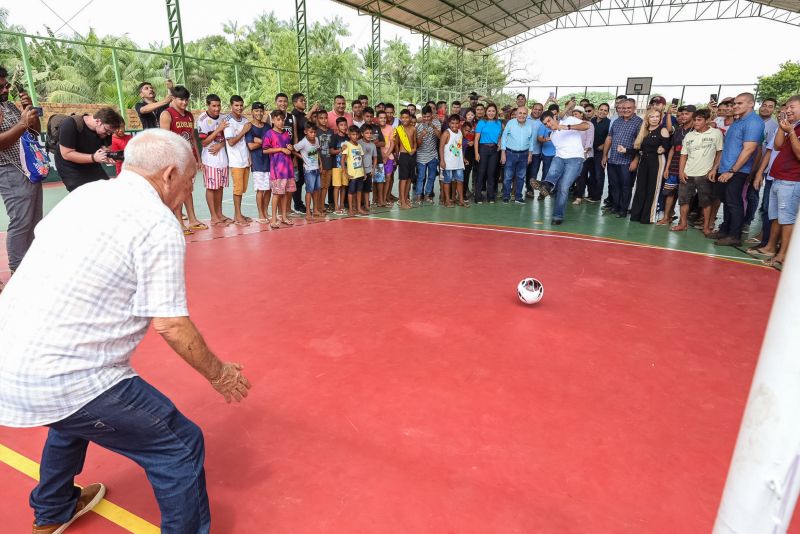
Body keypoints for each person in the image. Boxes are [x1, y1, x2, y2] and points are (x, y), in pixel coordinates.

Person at [0, 128, 251, 534]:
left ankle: (53, 509)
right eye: (190, 181)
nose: (189, 191)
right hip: (64, 372)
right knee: (180, 445)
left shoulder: (85, 196)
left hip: (12, 354)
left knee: (72, 416)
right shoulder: (157, 223)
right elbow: (169, 323)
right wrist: (219, 374)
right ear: (170, 175)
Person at [0, 66, 42, 285]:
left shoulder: (9, 106)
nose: (6, 88)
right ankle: (18, 271)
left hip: (28, 167)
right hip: (8, 170)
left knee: (35, 219)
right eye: (2, 86)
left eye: (6, 85)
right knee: (21, 221)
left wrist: (28, 111)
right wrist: (22, 122)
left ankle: (33, 264)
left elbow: (34, 132)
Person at [708, 93, 764, 246]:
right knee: (726, 200)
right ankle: (725, 230)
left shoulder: (754, 122)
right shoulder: (737, 121)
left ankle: (734, 236)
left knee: (734, 202)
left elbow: (750, 149)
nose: (735, 106)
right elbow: (727, 147)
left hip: (737, 171)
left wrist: (731, 171)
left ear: (751, 104)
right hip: (725, 167)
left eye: (740, 103)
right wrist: (716, 167)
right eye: (734, 104)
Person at [759, 95, 800, 267]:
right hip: (778, 177)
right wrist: (784, 129)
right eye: (787, 107)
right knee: (775, 216)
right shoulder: (793, 126)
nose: (788, 110)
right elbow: (777, 146)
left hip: (791, 180)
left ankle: (783, 255)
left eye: (792, 107)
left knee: (787, 219)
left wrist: (790, 131)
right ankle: (771, 248)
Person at [159, 85, 205, 235]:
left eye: (186, 100)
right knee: (177, 192)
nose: (184, 103)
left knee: (187, 190)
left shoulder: (189, 115)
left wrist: (198, 159)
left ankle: (192, 220)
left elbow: (192, 138)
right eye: (181, 100)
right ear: (173, 99)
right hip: (174, 159)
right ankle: (179, 223)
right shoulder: (167, 114)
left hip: (188, 158)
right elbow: (165, 140)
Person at [674, 108, 723, 234]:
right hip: (688, 173)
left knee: (706, 202)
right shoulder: (689, 135)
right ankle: (683, 224)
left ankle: (706, 227)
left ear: (707, 120)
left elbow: (719, 153)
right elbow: (683, 155)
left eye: (699, 120)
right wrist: (681, 171)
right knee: (683, 200)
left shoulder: (716, 134)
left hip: (705, 175)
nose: (696, 122)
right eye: (695, 120)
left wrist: (714, 169)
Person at [538, 111, 590, 225]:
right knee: (554, 165)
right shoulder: (552, 135)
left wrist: (566, 127)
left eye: (549, 121)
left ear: (555, 117)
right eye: (545, 124)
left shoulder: (569, 120)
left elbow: (587, 125)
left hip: (575, 159)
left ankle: (557, 216)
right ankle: (547, 186)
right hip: (560, 158)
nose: (548, 124)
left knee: (563, 187)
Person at [54, 107, 122, 193]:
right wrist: (93, 158)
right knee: (85, 196)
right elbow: (67, 154)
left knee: (107, 192)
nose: (108, 134)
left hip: (91, 164)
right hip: (71, 168)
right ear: (98, 121)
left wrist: (106, 155)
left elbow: (105, 147)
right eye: (107, 131)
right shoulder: (70, 124)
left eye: (111, 133)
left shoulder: (107, 129)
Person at [602, 98, 643, 217]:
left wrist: (636, 160)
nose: (626, 110)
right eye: (624, 108)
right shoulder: (617, 121)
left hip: (627, 161)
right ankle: (615, 206)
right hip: (613, 159)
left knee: (626, 186)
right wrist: (605, 155)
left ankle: (623, 210)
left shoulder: (639, 122)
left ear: (634, 108)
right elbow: (609, 138)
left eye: (629, 108)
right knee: (614, 184)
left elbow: (640, 144)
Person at [629, 109, 671, 224]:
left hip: (656, 162)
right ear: (647, 118)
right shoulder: (644, 130)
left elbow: (666, 147)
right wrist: (625, 150)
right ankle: (636, 215)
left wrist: (663, 148)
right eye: (652, 117)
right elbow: (638, 149)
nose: (655, 119)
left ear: (660, 118)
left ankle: (648, 217)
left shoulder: (663, 130)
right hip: (644, 162)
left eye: (657, 116)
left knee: (652, 189)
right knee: (640, 188)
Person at [196, 94, 231, 227]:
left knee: (220, 187)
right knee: (212, 188)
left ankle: (220, 214)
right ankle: (214, 217)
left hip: (222, 159)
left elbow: (227, 139)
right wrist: (218, 130)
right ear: (208, 105)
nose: (217, 108)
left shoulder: (223, 118)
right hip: (210, 159)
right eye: (214, 106)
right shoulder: (202, 119)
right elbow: (204, 143)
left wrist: (221, 145)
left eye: (218, 105)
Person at [262, 110, 296, 228]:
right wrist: (281, 149)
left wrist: (289, 147)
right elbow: (265, 150)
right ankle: (273, 219)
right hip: (277, 170)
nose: (281, 122)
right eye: (278, 119)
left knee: (285, 193)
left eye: (282, 120)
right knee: (276, 194)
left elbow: (288, 147)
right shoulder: (269, 134)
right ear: (273, 120)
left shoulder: (286, 134)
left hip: (287, 168)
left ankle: (284, 217)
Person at [223, 95, 252, 226]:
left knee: (242, 189)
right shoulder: (228, 121)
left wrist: (250, 158)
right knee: (238, 189)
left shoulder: (245, 120)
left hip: (245, 160)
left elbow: (247, 142)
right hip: (236, 161)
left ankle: (238, 214)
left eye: (241, 105)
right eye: (236, 105)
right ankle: (238, 216)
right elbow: (231, 142)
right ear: (231, 106)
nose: (239, 108)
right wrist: (244, 131)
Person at [500, 106, 536, 204]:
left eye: (524, 113)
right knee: (508, 177)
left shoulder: (530, 125)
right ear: (516, 114)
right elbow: (504, 138)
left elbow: (531, 141)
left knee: (521, 177)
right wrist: (503, 153)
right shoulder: (510, 123)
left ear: (527, 115)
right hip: (510, 153)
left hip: (524, 154)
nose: (522, 115)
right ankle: (506, 196)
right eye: (520, 113)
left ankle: (518, 197)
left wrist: (530, 155)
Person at [246, 102, 271, 224]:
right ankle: (260, 214)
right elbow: (250, 146)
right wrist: (263, 142)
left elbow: (271, 142)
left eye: (261, 111)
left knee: (269, 189)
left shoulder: (267, 126)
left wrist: (259, 140)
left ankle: (266, 212)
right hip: (257, 163)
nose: (259, 113)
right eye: (256, 111)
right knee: (260, 190)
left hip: (269, 161)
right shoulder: (249, 126)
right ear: (252, 112)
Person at [473, 103, 502, 204]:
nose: (491, 113)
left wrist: (499, 143)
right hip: (483, 149)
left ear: (496, 112)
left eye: (493, 111)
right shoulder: (482, 122)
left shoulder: (499, 123)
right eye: (489, 111)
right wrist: (476, 153)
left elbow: (501, 136)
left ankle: (491, 196)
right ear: (486, 111)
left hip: (494, 150)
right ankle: (478, 196)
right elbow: (476, 139)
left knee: (491, 173)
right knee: (481, 173)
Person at [293, 124, 322, 219]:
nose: (313, 134)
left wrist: (320, 164)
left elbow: (317, 151)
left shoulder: (317, 139)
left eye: (314, 132)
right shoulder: (303, 142)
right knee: (309, 191)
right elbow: (293, 149)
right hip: (309, 170)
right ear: (305, 132)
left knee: (317, 190)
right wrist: (302, 157)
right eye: (311, 132)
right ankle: (308, 212)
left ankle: (315, 209)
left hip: (316, 168)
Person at [439, 114, 468, 208]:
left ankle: (461, 201)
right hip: (448, 162)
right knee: (447, 181)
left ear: (460, 123)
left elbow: (459, 148)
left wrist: (463, 158)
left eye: (456, 123)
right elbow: (441, 147)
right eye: (452, 123)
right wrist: (442, 161)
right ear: (449, 123)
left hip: (458, 163)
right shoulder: (446, 133)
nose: (454, 125)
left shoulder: (460, 132)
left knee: (460, 181)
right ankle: (447, 201)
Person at [415, 105, 441, 203]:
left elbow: (440, 136)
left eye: (428, 116)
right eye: (424, 117)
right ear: (422, 116)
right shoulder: (419, 126)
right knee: (421, 176)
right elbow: (418, 144)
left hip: (433, 155)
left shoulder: (436, 123)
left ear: (432, 115)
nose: (426, 119)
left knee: (431, 176)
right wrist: (421, 136)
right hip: (421, 155)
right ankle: (418, 195)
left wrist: (433, 127)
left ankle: (427, 195)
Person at [570, 106, 595, 205]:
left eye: (576, 113)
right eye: (573, 114)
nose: (574, 115)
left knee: (582, 176)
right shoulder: (572, 125)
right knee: (576, 176)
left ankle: (579, 197)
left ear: (582, 114)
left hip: (585, 155)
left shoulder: (588, 124)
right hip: (573, 154)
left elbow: (590, 139)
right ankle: (576, 193)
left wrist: (585, 151)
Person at [587, 103, 611, 202]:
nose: (602, 112)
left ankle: (597, 197)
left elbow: (610, 137)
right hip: (590, 151)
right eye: (601, 109)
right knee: (591, 174)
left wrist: (604, 146)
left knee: (598, 174)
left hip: (600, 152)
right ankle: (590, 194)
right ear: (597, 110)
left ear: (608, 112)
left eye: (605, 110)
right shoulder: (591, 121)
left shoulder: (609, 123)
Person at [394, 109, 417, 209]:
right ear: (400, 118)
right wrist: (397, 156)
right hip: (403, 155)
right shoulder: (399, 129)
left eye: (406, 117)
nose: (405, 119)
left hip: (412, 155)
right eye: (402, 117)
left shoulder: (413, 129)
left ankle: (405, 198)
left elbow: (415, 142)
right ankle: (402, 201)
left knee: (409, 178)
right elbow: (396, 144)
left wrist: (414, 149)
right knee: (403, 179)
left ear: (410, 118)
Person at [342, 125, 367, 216]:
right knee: (351, 192)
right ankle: (351, 209)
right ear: (349, 135)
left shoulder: (359, 146)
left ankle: (359, 208)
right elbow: (342, 160)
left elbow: (362, 159)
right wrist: (346, 172)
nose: (355, 136)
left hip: (360, 173)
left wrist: (364, 172)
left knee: (359, 191)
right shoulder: (347, 145)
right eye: (353, 134)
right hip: (352, 174)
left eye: (356, 134)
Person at [329, 116, 349, 214]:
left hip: (346, 166)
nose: (344, 127)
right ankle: (336, 207)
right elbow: (331, 151)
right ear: (337, 126)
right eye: (341, 125)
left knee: (344, 186)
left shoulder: (348, 138)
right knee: (337, 186)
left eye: (345, 125)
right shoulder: (334, 137)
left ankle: (342, 205)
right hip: (336, 166)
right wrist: (341, 150)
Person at [315, 110, 334, 213]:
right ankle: (317, 207)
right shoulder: (316, 132)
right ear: (317, 119)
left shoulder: (331, 131)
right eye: (321, 118)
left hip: (329, 163)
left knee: (326, 186)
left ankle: (322, 206)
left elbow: (331, 147)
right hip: (320, 164)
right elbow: (316, 149)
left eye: (325, 118)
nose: (324, 120)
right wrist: (319, 163)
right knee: (319, 187)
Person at [526, 103, 544, 198]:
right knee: (523, 172)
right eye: (535, 109)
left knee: (533, 173)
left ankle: (530, 190)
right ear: (532, 109)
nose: (537, 111)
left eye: (540, 109)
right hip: (524, 151)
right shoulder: (525, 119)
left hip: (536, 152)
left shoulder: (543, 121)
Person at [359, 125, 378, 211]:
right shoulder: (358, 143)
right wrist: (362, 170)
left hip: (369, 170)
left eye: (370, 133)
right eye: (367, 133)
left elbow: (375, 157)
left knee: (367, 189)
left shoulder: (373, 145)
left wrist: (373, 169)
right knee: (359, 190)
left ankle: (367, 205)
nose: (369, 135)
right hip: (359, 171)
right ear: (362, 134)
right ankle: (357, 206)